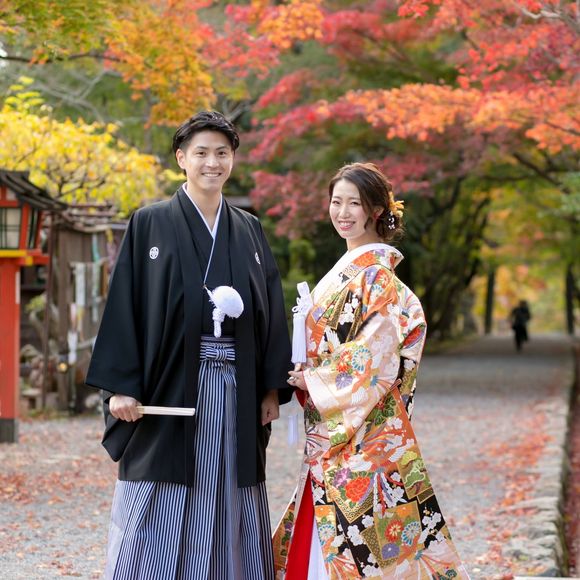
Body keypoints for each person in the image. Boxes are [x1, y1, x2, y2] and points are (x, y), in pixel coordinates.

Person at [86, 111, 292, 580]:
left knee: (229, 484)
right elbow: (125, 305)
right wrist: (121, 386)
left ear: (233, 159)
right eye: (201, 153)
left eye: (222, 153)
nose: (211, 163)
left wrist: (269, 388)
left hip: (235, 387)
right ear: (181, 158)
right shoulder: (150, 222)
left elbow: (269, 309)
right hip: (168, 383)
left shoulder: (249, 229)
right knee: (160, 487)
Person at [273, 163, 469, 579]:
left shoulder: (376, 276)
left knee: (361, 534)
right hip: (338, 421)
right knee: (343, 530)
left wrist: (316, 379)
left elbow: (375, 354)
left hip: (362, 427)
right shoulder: (350, 269)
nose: (342, 213)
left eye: (354, 204)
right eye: (336, 202)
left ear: (376, 211)